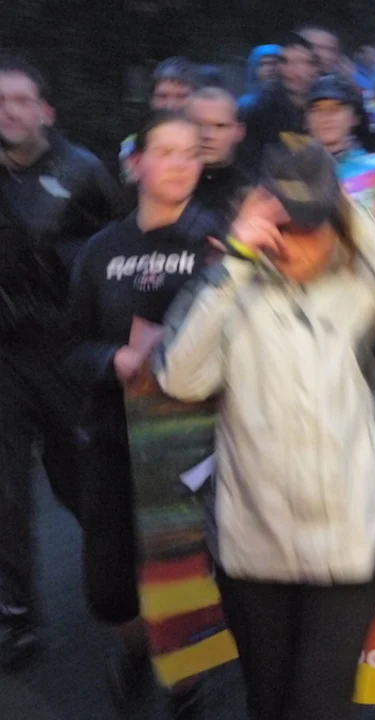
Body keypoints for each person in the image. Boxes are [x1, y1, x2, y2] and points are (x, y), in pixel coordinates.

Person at [153, 144, 375, 720]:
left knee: (319, 707)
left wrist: (359, 224)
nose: (290, 242)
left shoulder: (362, 285)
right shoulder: (231, 284)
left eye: (308, 226)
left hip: (347, 545)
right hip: (253, 549)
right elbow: (181, 377)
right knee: (269, 705)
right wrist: (237, 260)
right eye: (280, 225)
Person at [66, 111, 222, 714]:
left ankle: (186, 685)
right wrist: (116, 359)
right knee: (109, 587)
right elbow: (71, 345)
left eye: (191, 153)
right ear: (136, 164)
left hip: (193, 443)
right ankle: (134, 648)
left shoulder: (216, 241)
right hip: (114, 434)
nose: (180, 164)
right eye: (166, 152)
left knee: (185, 577)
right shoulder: (101, 250)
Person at [0, 56, 124, 669]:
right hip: (4, 356)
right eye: (0, 102)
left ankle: (127, 579)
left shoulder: (82, 171)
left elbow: (117, 249)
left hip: (64, 351)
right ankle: (16, 617)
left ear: (46, 110)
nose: (9, 112)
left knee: (79, 482)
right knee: (5, 493)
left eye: (21, 100)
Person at [306, 75, 375, 210]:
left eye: (336, 109)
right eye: (317, 109)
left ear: (355, 117)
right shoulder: (291, 173)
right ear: (306, 120)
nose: (326, 117)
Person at [238, 31, 319, 174]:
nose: (291, 70)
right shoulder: (259, 111)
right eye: (284, 61)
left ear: (314, 67)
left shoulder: (327, 103)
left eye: (300, 62)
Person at [187, 86, 250, 222]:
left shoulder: (251, 194)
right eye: (197, 124)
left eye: (220, 126)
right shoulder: (159, 185)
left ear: (239, 132)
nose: (207, 135)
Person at [238, 44, 282, 114]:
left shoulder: (294, 100)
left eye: (274, 63)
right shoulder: (246, 105)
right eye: (262, 64)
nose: (270, 69)